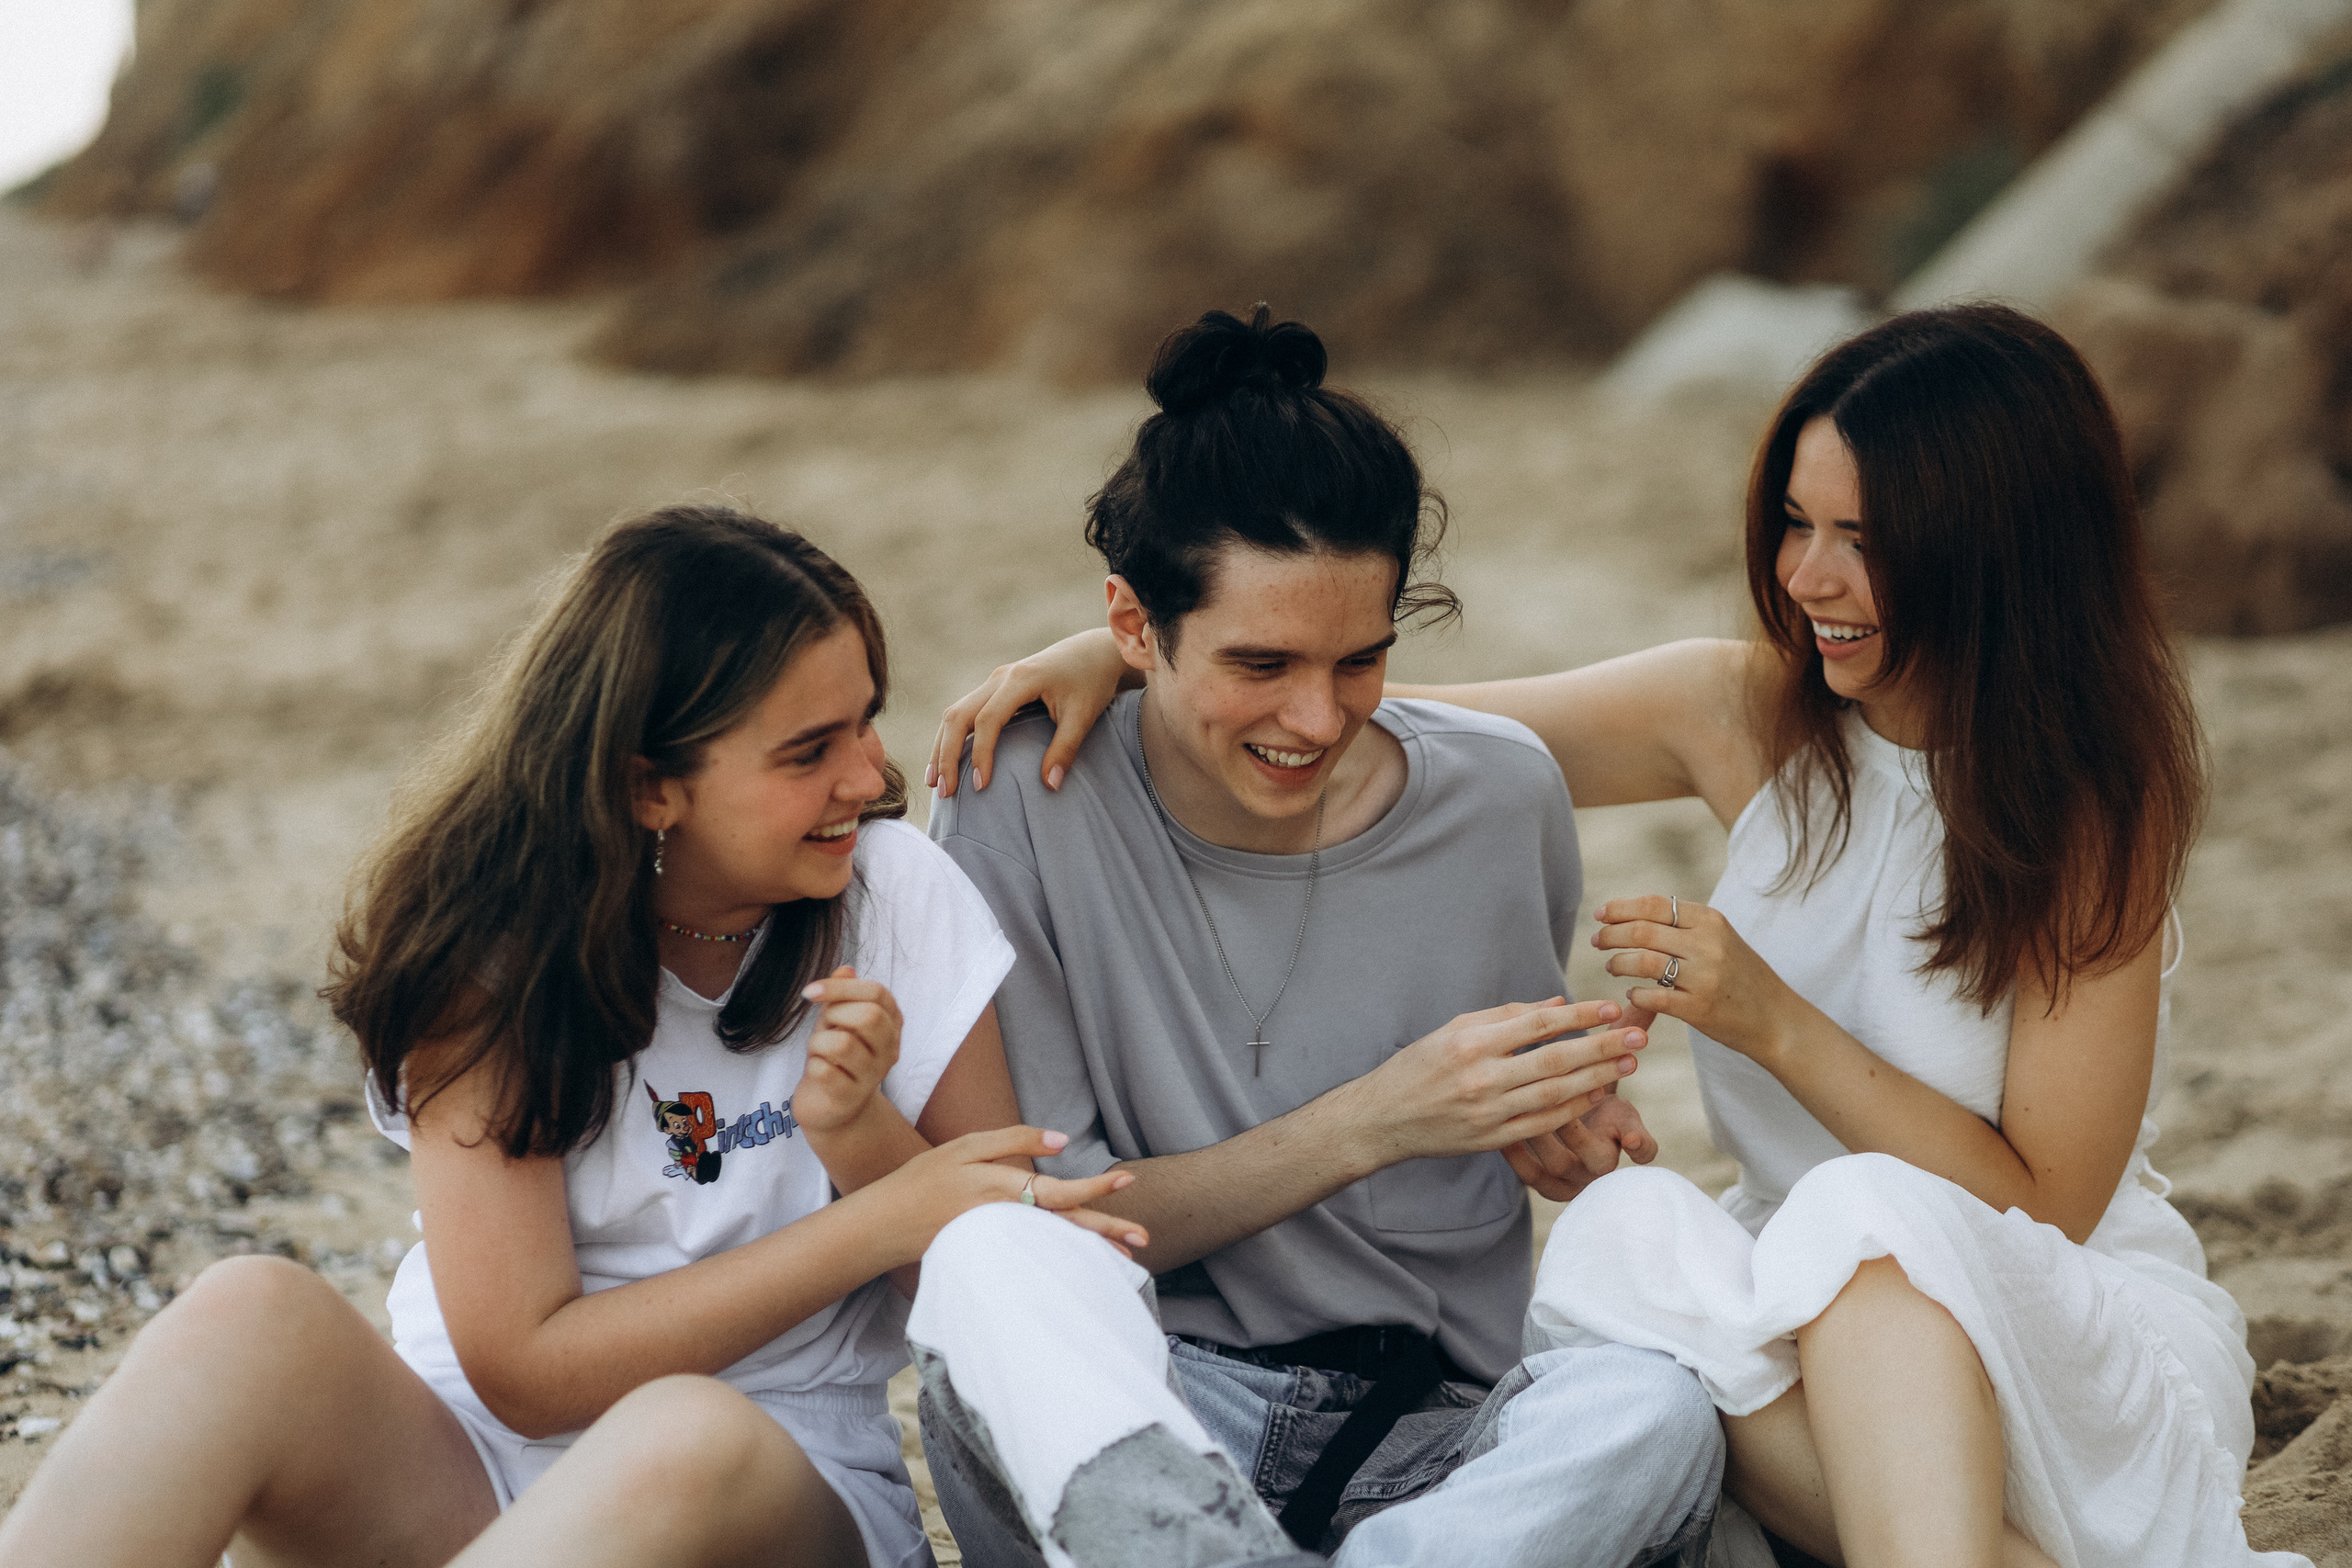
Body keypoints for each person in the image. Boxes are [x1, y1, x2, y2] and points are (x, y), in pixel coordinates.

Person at [933, 305, 2298, 1567]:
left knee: (1851, 1226)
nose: (1808, 573)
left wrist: (1771, 1022)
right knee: (1625, 1239)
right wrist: (1113, 650)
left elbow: (2042, 1204)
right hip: (1793, 1323)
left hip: (2045, 1332)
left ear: (1997, 546)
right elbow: (1355, 705)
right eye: (1794, 519)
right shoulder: (1742, 709)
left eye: (1866, 538)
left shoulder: (2089, 810)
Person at [0, 505, 1139, 1568]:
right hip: (473, 1482)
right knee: (246, 1313)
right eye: (807, 752)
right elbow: (526, 1374)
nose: (868, 776)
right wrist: (873, 1221)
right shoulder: (491, 947)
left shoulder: (892, 897)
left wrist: (864, 1148)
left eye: (866, 719)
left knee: (687, 1430)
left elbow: (1001, 1274)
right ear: (650, 788)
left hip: (775, 1485)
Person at [910, 306, 1725, 1568]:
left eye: (1362, 659)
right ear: (1131, 625)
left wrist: (1558, 1131)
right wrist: (1379, 1117)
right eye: (1263, 660)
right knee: (992, 1264)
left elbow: (1496, 1152)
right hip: (1155, 1411)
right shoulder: (1018, 791)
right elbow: (1053, 1217)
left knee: (1654, 1410)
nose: (1317, 714)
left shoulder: (1504, 795)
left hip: (1436, 1434)